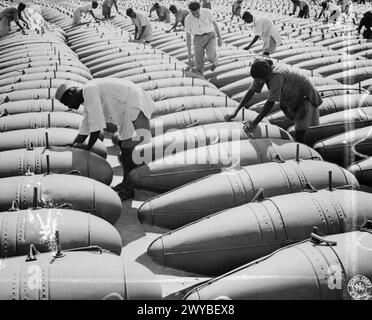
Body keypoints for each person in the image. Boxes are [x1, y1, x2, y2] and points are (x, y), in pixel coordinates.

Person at [55, 78, 155, 200]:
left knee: (129, 149)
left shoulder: (89, 90)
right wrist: (75, 144)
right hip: (126, 109)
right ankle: (129, 182)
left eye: (67, 103)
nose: (69, 106)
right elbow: (86, 124)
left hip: (134, 103)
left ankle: (129, 186)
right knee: (126, 148)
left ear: (71, 94)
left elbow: (96, 126)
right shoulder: (88, 93)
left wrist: (88, 147)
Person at [225, 58, 322, 143]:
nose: (258, 82)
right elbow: (251, 91)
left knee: (301, 130)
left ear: (265, 76)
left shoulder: (276, 76)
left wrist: (255, 122)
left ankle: (305, 151)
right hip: (291, 96)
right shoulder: (262, 70)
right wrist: (235, 111)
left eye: (259, 80)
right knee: (295, 120)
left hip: (305, 97)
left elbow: (270, 102)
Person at [185, 1, 222, 76]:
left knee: (211, 57)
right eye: (193, 13)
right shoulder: (188, 19)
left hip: (210, 36)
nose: (195, 15)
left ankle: (215, 62)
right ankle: (200, 76)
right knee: (198, 62)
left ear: (199, 8)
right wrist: (189, 52)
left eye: (197, 12)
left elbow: (215, 24)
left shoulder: (207, 12)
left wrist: (219, 37)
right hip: (197, 38)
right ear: (190, 11)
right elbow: (188, 35)